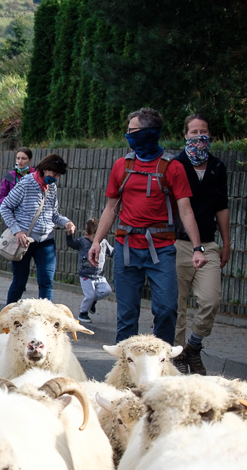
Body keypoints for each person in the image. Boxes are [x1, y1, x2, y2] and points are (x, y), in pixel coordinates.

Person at [89, 108, 205, 344]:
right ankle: (125, 368)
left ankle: (161, 364)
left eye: (132, 131)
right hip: (126, 247)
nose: (128, 135)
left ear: (148, 133)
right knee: (127, 314)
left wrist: (197, 247)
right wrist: (97, 241)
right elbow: (111, 207)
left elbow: (185, 210)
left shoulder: (173, 167)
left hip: (161, 250)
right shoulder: (121, 165)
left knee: (166, 310)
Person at [170, 114, 230, 375]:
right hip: (177, 244)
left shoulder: (218, 167)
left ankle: (193, 346)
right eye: (193, 132)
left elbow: (222, 207)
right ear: (185, 135)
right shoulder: (175, 165)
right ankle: (177, 358)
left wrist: (226, 243)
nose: (198, 136)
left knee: (211, 300)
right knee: (176, 307)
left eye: (203, 131)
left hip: (208, 244)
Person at [0, 153, 76, 304]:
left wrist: (66, 222)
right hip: (24, 241)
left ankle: (45, 320)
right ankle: (8, 317)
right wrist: (17, 230)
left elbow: (53, 214)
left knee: (46, 281)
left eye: (58, 176)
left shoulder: (52, 187)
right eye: (54, 174)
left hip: (46, 241)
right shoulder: (26, 183)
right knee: (20, 282)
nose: (55, 178)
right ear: (45, 169)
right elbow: (5, 207)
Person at [66, 218, 113, 323]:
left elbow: (112, 252)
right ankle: (83, 313)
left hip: (100, 276)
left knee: (107, 290)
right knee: (90, 295)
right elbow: (71, 244)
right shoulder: (82, 242)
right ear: (87, 235)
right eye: (94, 237)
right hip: (86, 276)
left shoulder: (104, 242)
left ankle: (92, 302)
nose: (98, 240)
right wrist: (69, 235)